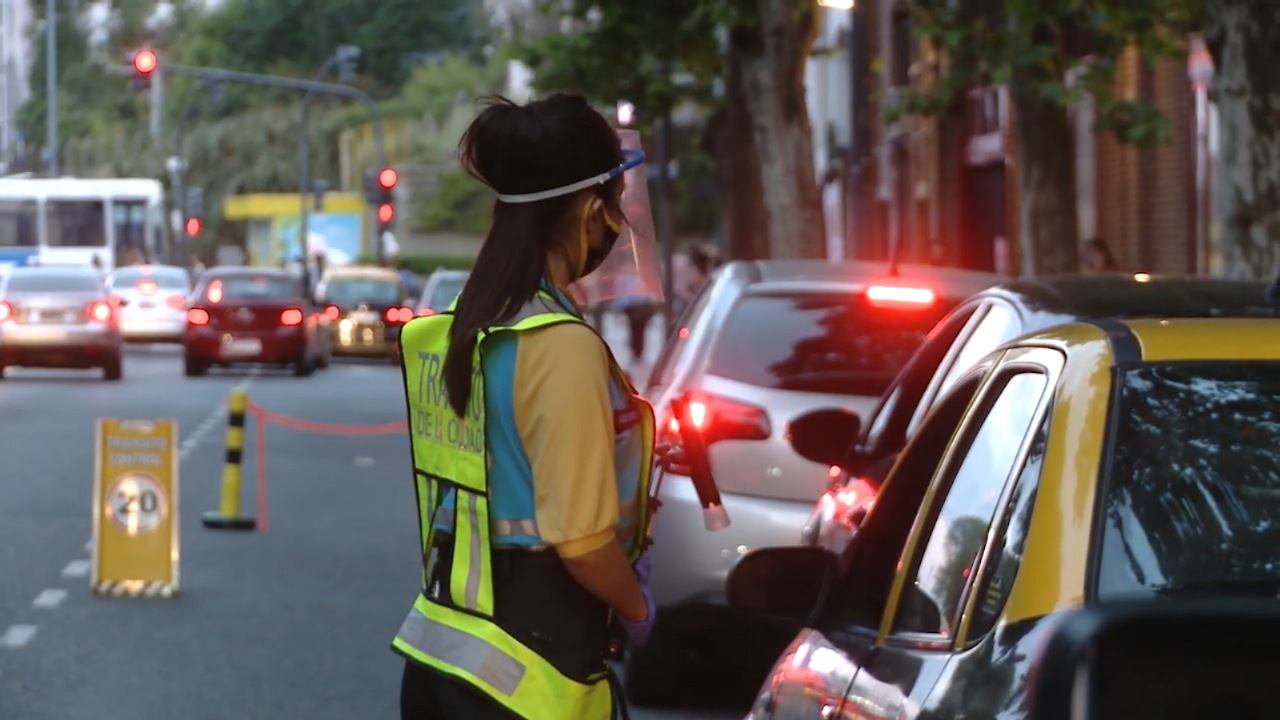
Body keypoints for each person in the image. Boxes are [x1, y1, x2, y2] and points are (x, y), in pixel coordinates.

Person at [393, 93, 658, 720]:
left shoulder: (468, 326)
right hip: (532, 673)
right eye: (616, 204)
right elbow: (584, 544)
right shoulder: (558, 346)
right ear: (595, 210)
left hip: (444, 652)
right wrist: (639, 609)